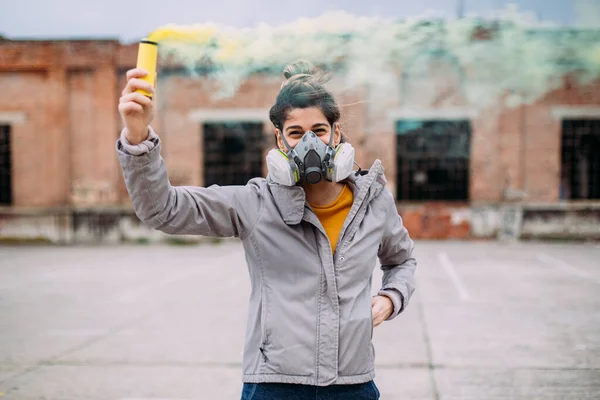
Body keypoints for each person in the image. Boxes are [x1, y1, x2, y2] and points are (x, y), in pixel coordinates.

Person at [116, 59, 417, 400]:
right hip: (274, 385)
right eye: (295, 133)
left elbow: (402, 261)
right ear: (279, 139)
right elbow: (163, 210)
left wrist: (391, 298)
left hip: (353, 385)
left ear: (336, 132)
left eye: (318, 131)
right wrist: (137, 136)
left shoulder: (374, 202)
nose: (309, 144)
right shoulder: (256, 203)